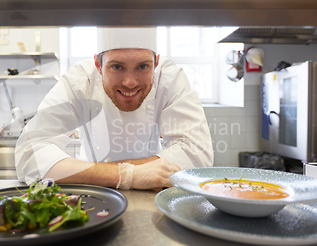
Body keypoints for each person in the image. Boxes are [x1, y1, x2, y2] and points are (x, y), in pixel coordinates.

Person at [15, 27, 213, 190]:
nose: (130, 82)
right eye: (117, 67)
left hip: (156, 191)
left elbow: (197, 156)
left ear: (156, 63)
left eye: (143, 67)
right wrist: (126, 175)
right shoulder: (80, 81)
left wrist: (112, 172)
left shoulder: (170, 79)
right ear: (98, 65)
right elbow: (29, 154)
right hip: (90, 192)